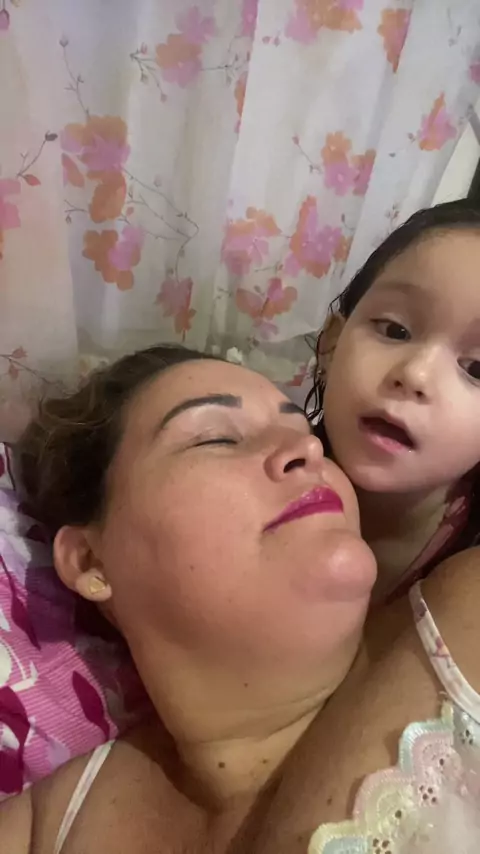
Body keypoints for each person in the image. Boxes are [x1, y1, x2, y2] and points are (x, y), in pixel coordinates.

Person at [0, 344, 376, 852]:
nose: (309, 449)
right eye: (218, 438)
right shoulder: (39, 832)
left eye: (306, 432)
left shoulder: (464, 627)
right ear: (91, 561)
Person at [308, 200, 480, 601]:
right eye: (394, 330)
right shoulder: (256, 480)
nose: (415, 375)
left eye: (476, 369)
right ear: (331, 343)